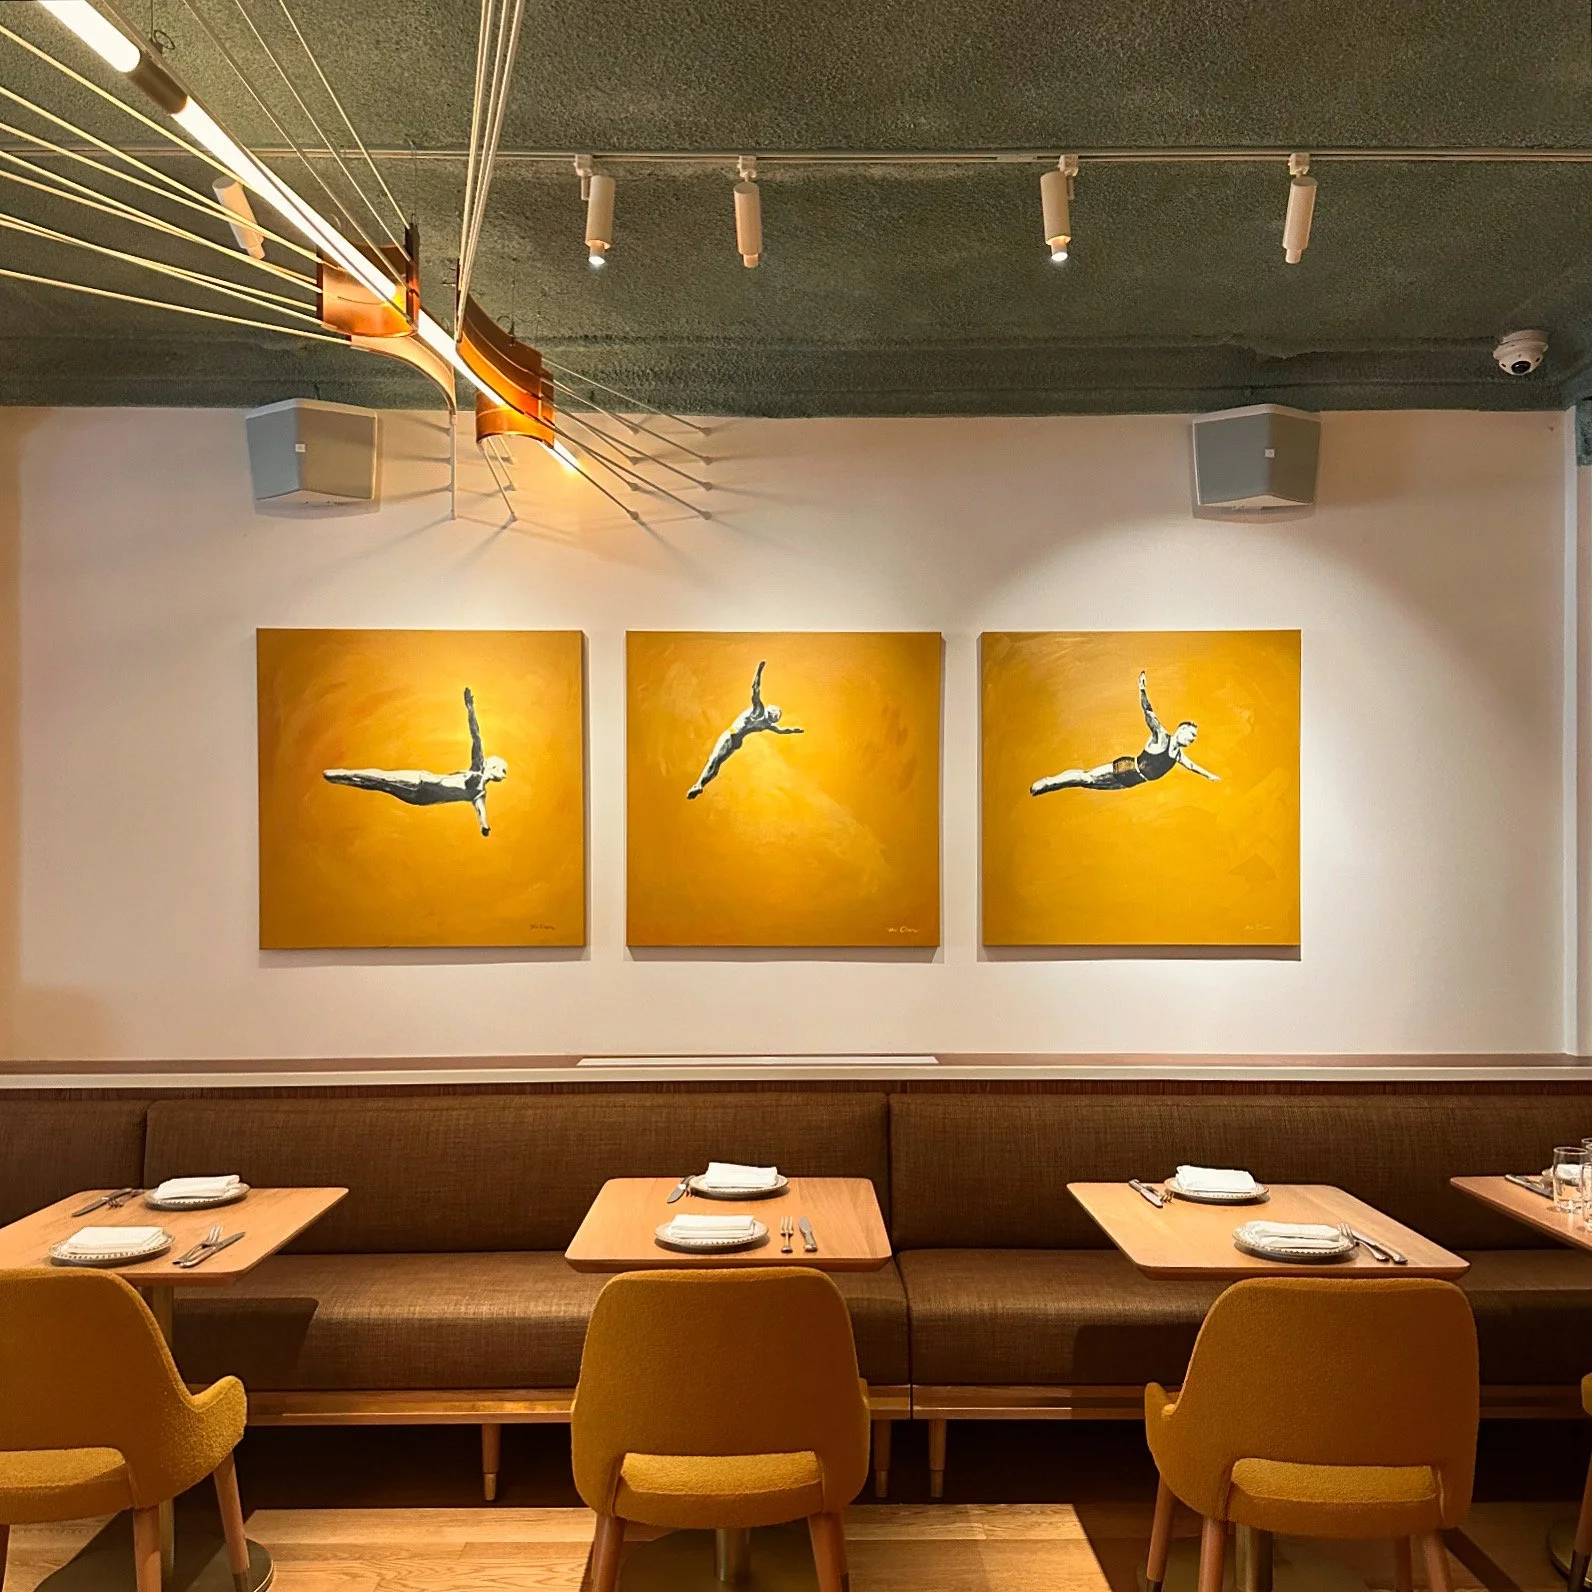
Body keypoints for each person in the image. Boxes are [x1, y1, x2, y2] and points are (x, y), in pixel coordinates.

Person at [324, 687, 507, 835]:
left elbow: (481, 813)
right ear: (492, 767)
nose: (504, 775)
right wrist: (470, 708)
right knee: (384, 778)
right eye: (503, 770)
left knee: (381, 786)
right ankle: (345, 774)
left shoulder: (479, 793)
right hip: (421, 780)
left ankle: (343, 780)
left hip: (420, 798)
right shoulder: (477, 769)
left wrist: (484, 826)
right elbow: (476, 737)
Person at [1030, 671, 1218, 794]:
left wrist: (1209, 775)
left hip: (1131, 781)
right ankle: (1048, 782)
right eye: (1191, 735)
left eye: (1194, 738)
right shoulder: (1162, 737)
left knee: (1088, 784)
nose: (1192, 740)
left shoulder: (1177, 754)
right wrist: (1142, 689)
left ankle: (1051, 786)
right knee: (1087, 777)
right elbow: (1148, 712)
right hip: (1127, 768)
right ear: (1182, 729)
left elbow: (1192, 766)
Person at [687, 660, 804, 798]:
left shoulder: (759, 713)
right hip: (737, 743)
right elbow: (782, 731)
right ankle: (701, 785)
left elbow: (755, 689)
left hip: (731, 735)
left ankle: (699, 784)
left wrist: (759, 670)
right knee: (717, 764)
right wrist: (795, 730)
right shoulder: (766, 723)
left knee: (713, 759)